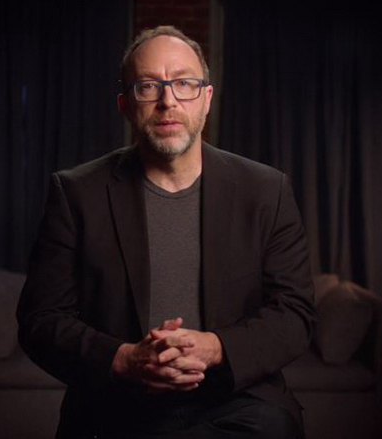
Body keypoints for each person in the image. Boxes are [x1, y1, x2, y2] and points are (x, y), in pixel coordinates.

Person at [17, 25, 315, 439]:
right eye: (148, 86)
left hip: (237, 401)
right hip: (117, 404)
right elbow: (40, 320)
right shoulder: (76, 193)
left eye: (184, 83)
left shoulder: (266, 190)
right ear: (125, 104)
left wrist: (216, 348)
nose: (168, 100)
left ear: (207, 98)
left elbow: (294, 313)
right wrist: (124, 358)